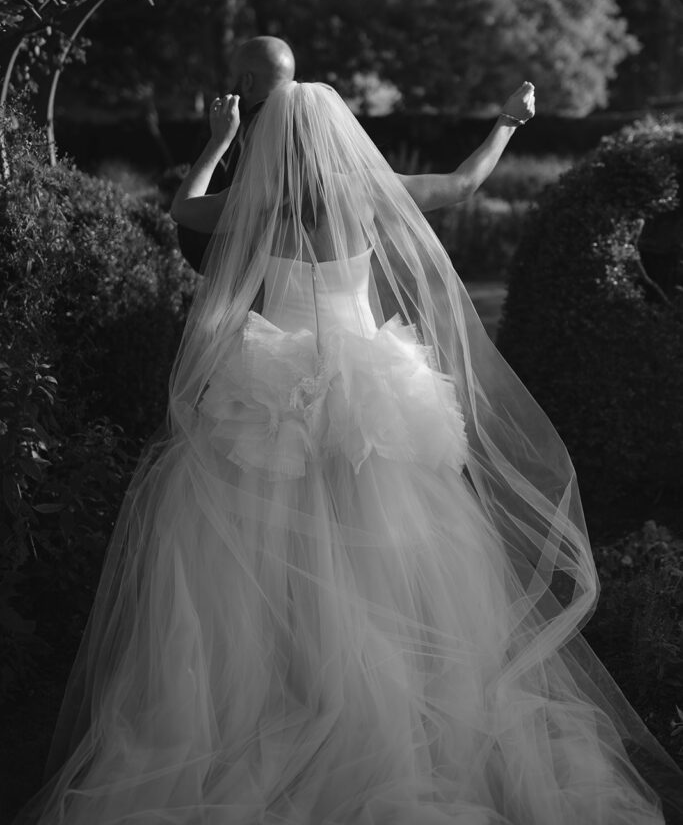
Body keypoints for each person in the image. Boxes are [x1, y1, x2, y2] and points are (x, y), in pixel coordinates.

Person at [14, 81, 683, 825]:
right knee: (390, 556)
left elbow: (181, 210)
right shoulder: (365, 189)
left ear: (272, 141)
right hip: (369, 389)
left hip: (273, 388)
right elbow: (463, 184)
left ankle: (293, 691)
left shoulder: (255, 203)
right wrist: (505, 122)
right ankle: (387, 699)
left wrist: (215, 140)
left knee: (265, 555)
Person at [176, 35, 296, 272]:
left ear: (247, 81)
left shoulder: (228, 128)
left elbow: (185, 213)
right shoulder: (348, 185)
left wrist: (217, 142)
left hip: (237, 281)